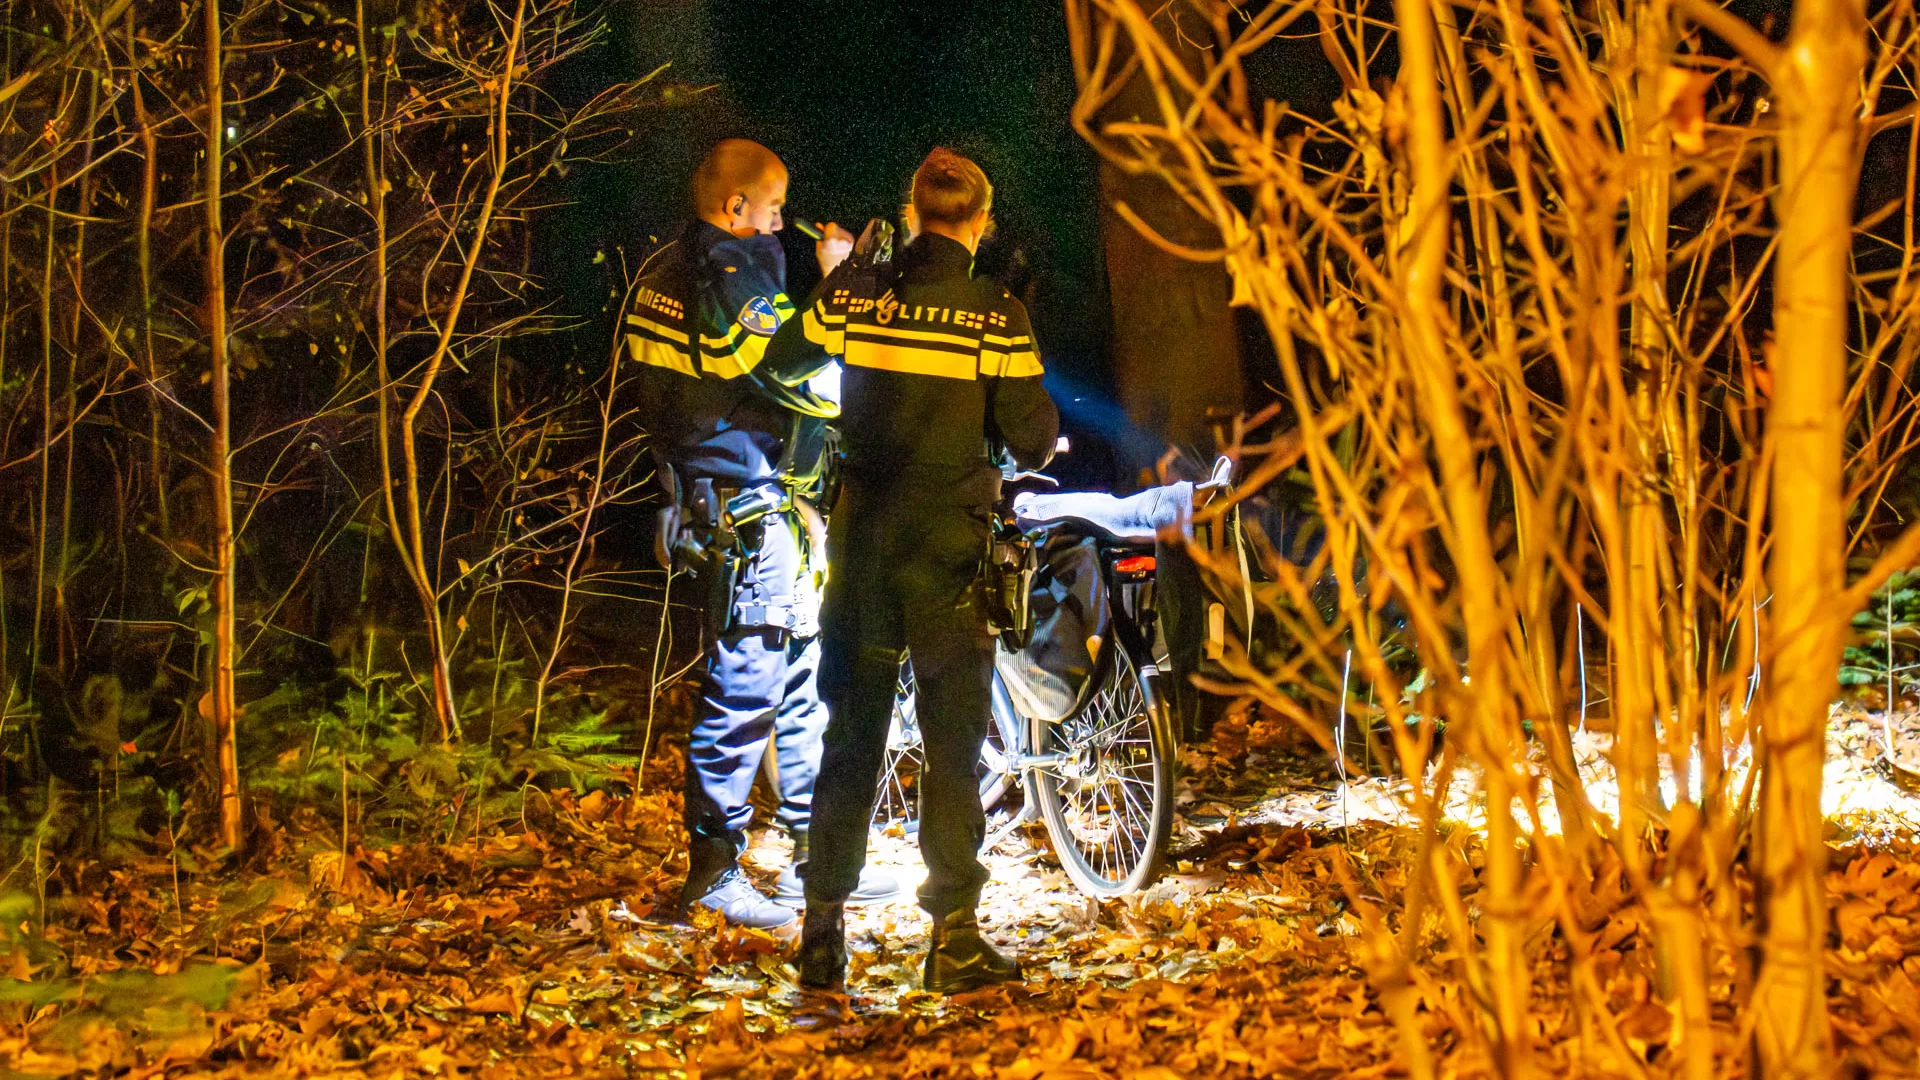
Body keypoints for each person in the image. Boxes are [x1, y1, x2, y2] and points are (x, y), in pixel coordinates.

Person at [761, 148, 1060, 992]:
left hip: (862, 543)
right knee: (953, 744)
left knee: (850, 734)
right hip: (951, 552)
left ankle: (823, 933)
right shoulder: (996, 313)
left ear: (912, 213)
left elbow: (781, 365)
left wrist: (843, 279)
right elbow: (1035, 437)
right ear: (981, 222)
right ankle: (953, 939)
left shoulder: (861, 296)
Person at [626, 138, 899, 931]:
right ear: (734, 206)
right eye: (773, 208)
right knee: (746, 686)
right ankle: (713, 873)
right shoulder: (733, 275)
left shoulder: (670, 268)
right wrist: (840, 287)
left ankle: (819, 857)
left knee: (801, 679)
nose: (783, 221)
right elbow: (799, 375)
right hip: (746, 505)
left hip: (738, 498)